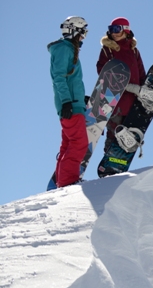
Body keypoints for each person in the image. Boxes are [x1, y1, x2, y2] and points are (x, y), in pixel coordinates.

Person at [48, 16, 89, 188]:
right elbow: (59, 77)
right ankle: (67, 181)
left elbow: (72, 80)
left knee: (68, 144)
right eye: (82, 33)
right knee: (79, 142)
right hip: (70, 105)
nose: (83, 38)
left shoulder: (68, 49)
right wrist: (66, 101)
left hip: (73, 102)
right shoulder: (64, 49)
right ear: (74, 31)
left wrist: (81, 98)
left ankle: (61, 181)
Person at [96, 17, 146, 153]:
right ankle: (110, 154)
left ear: (126, 30)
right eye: (111, 29)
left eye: (116, 29)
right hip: (115, 99)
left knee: (129, 132)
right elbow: (102, 70)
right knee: (115, 129)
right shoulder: (108, 50)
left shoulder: (134, 51)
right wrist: (124, 84)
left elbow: (141, 73)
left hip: (133, 100)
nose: (113, 33)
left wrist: (144, 89)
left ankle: (122, 157)